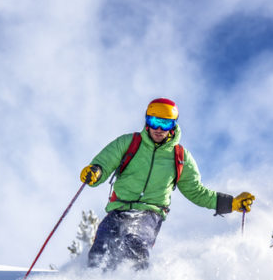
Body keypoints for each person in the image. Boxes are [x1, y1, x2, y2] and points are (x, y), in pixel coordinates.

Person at [79, 98, 254, 270]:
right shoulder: (129, 143)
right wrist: (95, 172)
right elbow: (105, 162)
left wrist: (231, 203)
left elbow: (197, 192)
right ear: (147, 121)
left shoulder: (180, 157)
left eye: (165, 124)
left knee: (135, 241)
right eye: (154, 121)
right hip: (119, 209)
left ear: (173, 125)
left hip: (150, 213)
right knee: (101, 246)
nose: (159, 129)